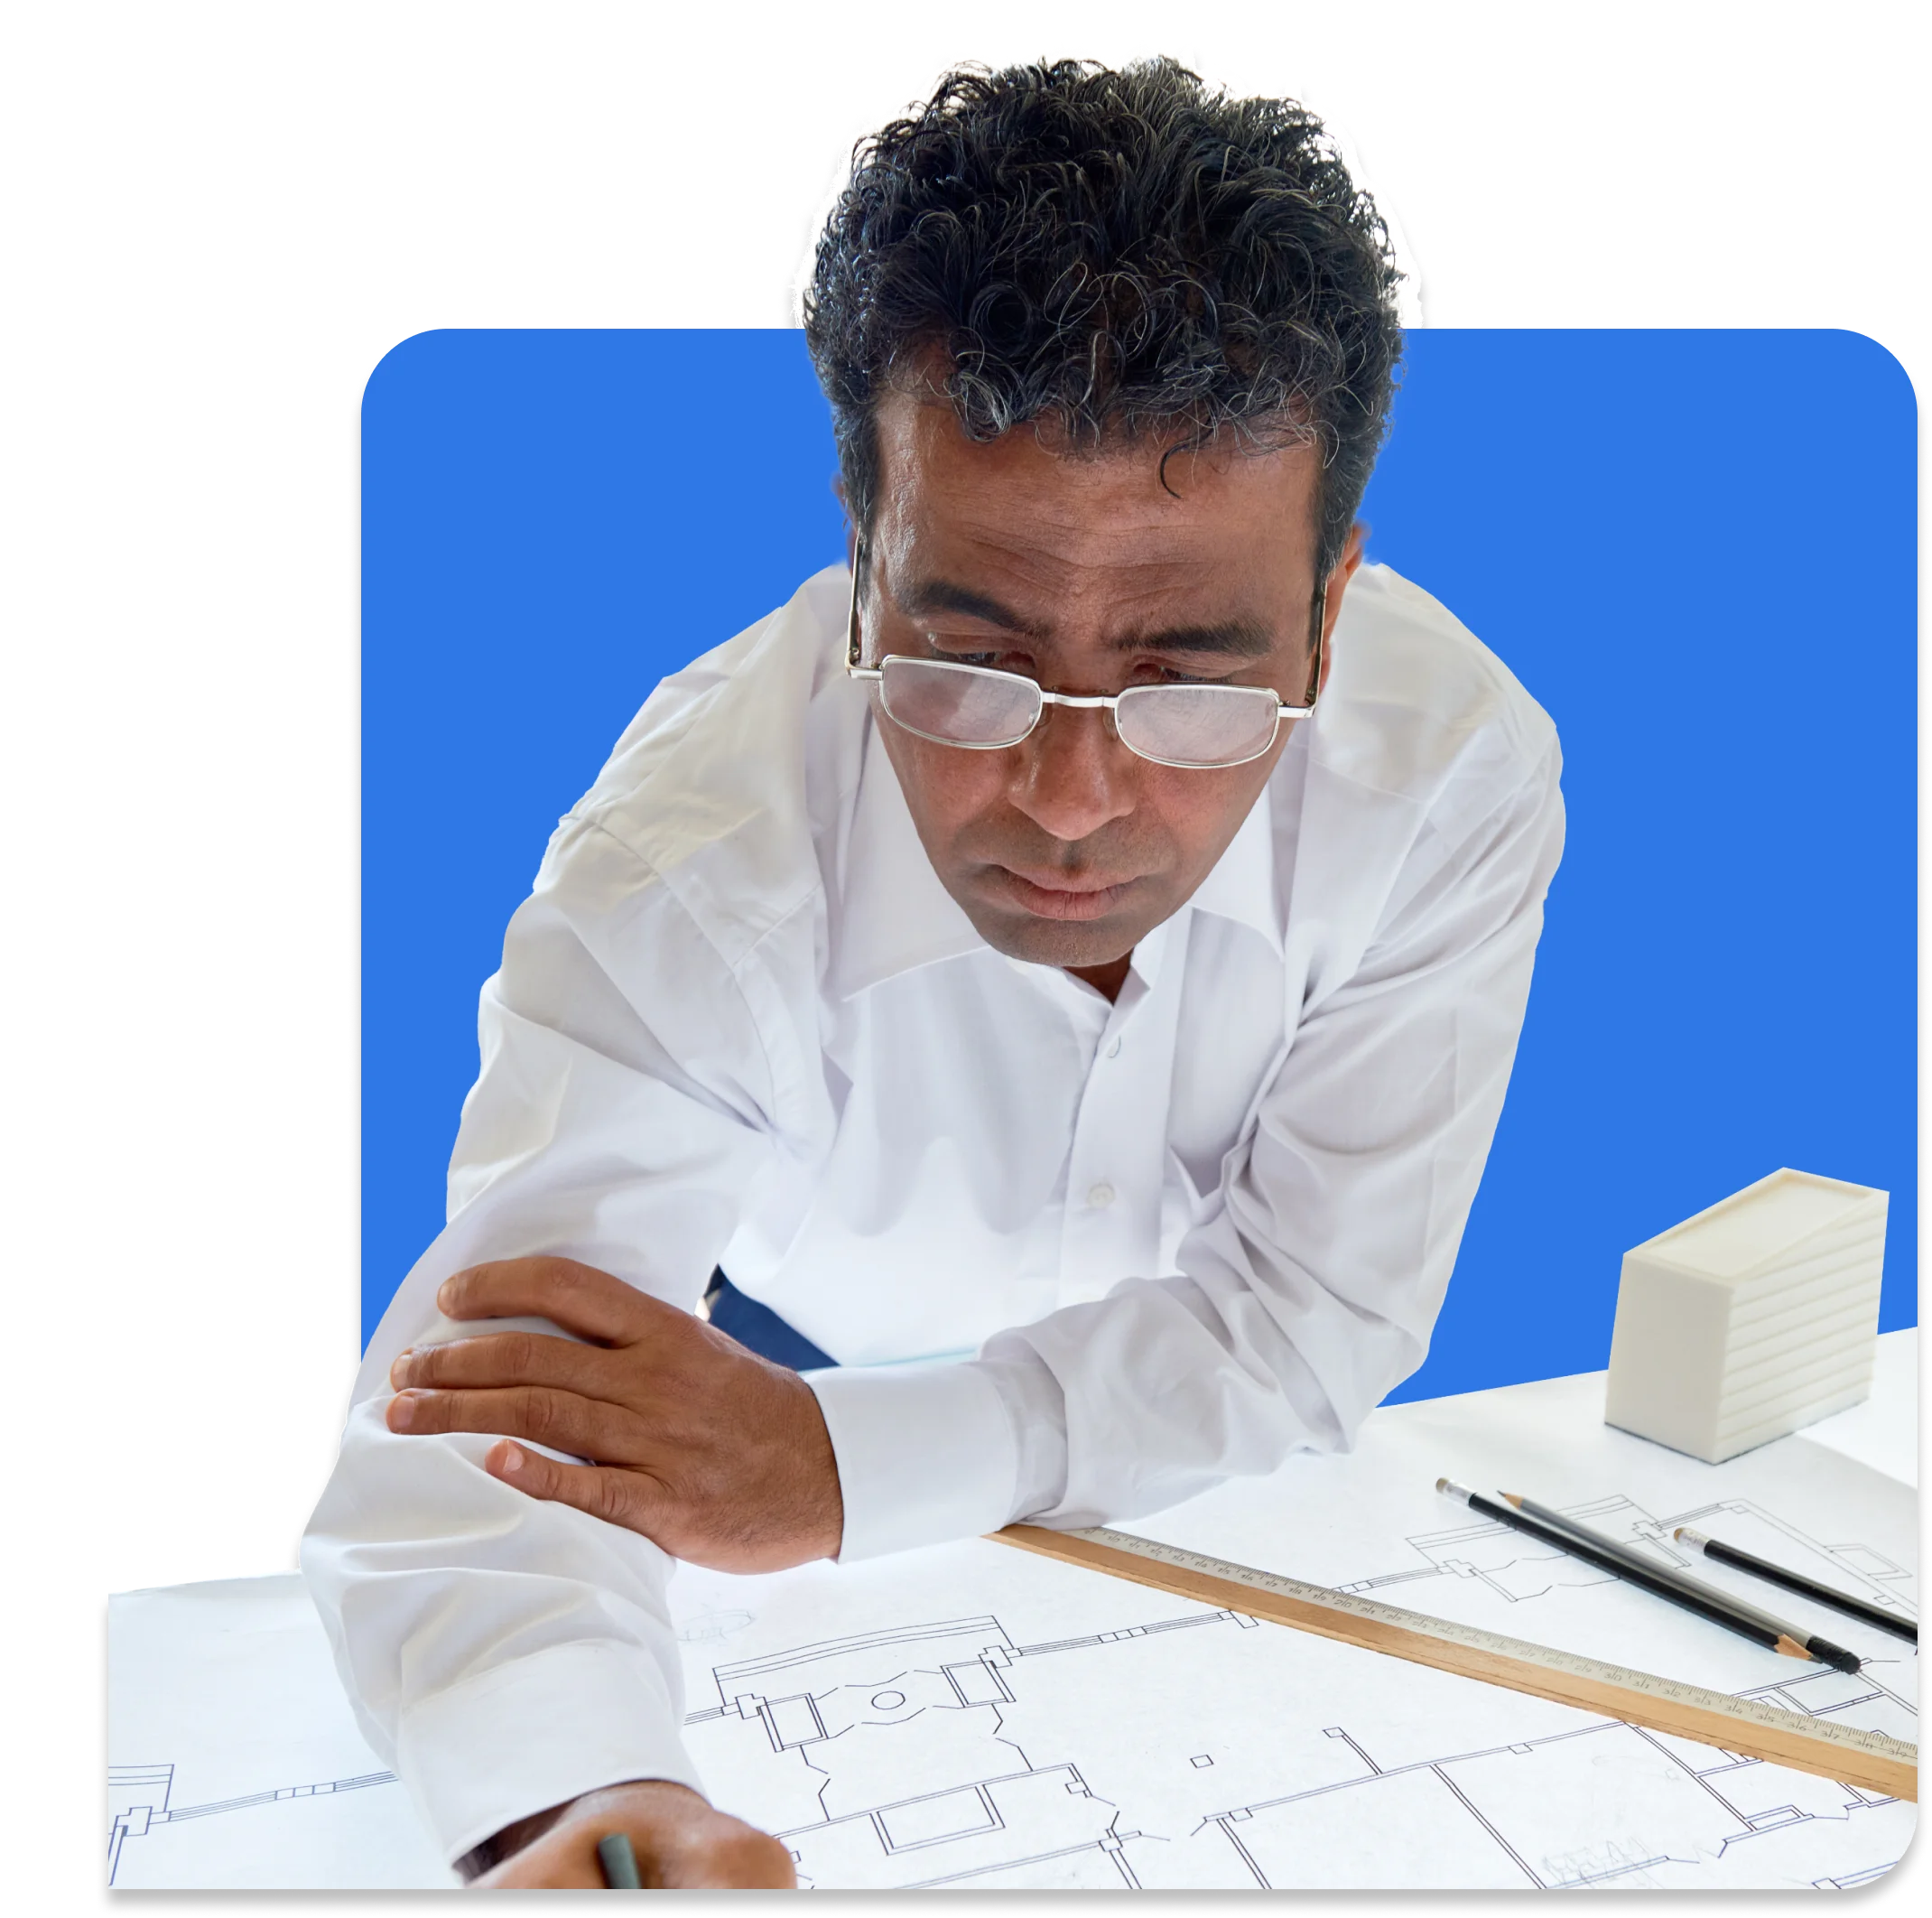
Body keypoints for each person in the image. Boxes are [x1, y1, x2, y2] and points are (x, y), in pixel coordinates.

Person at [306, 48, 1565, 1891]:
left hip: (1180, 1529)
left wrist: (835, 1469)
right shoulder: (688, 866)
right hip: (786, 1334)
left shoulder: (1447, 770)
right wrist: (575, 1795)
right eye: (970, 662)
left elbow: (1314, 1315)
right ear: (863, 558)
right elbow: (484, 1421)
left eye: (1191, 683)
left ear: (1326, 611)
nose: (1070, 802)